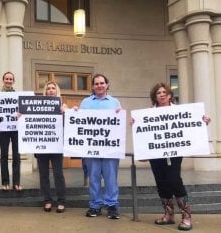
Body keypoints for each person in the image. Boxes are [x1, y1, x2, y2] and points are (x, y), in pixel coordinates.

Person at [133, 82, 211, 231]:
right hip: (156, 154)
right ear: (155, 97)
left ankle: (186, 216)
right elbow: (145, 134)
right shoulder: (148, 114)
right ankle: (168, 215)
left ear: (170, 95)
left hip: (174, 153)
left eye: (164, 92)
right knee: (161, 182)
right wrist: (136, 125)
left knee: (174, 180)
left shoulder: (181, 111)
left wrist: (203, 122)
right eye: (158, 93)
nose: (161, 94)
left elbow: (191, 128)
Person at [80, 73, 122, 220]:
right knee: (94, 177)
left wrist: (120, 115)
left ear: (107, 85)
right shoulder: (85, 103)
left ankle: (112, 206)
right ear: (92, 86)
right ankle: (95, 205)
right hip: (91, 148)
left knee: (111, 178)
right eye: (96, 83)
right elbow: (79, 122)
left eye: (102, 83)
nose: (99, 86)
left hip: (110, 149)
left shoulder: (115, 102)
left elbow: (119, 125)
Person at [36, 81, 67, 213]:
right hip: (42, 145)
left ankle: (61, 201)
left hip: (56, 146)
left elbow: (70, 124)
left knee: (58, 174)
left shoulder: (63, 106)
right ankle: (47, 200)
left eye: (53, 88)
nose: (50, 90)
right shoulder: (37, 106)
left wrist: (65, 113)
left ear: (57, 91)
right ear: (45, 91)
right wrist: (21, 116)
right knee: (43, 175)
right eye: (48, 88)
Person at [0, 72, 22, 191]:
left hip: (16, 129)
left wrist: (21, 113)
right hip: (3, 129)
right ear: (3, 80)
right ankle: (5, 182)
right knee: (4, 156)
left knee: (16, 155)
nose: (8, 81)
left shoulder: (18, 96)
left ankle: (16, 182)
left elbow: (24, 110)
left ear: (13, 81)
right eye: (6, 79)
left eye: (11, 79)